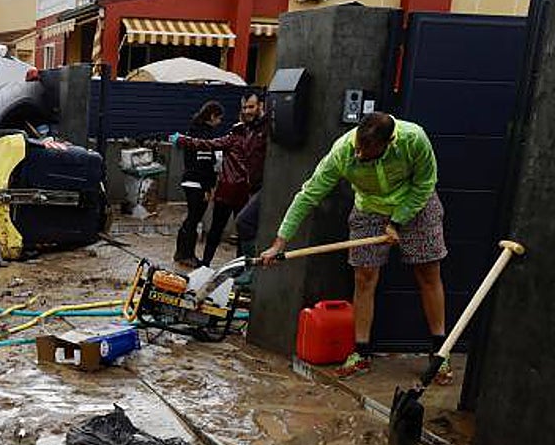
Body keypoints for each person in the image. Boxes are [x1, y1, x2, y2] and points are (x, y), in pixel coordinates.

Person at [260, 112, 451, 383]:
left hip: (416, 204)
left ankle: (439, 352)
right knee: (363, 278)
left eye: (368, 151)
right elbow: (309, 194)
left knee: (428, 274)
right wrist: (279, 242)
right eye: (358, 149)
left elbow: (425, 184)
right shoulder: (343, 152)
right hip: (370, 207)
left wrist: (398, 221)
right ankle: (360, 352)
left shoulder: (414, 139)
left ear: (388, 143)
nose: (359, 156)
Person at [170, 91, 269, 266]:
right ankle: (222, 264)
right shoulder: (234, 134)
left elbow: (206, 147)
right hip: (231, 190)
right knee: (206, 224)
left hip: (234, 190)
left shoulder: (261, 131)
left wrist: (183, 140)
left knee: (216, 227)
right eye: (244, 107)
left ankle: (206, 262)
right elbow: (206, 151)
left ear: (261, 106)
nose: (247, 111)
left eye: (251, 107)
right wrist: (208, 185)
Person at [173, 101, 224, 267]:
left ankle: (181, 252)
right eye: (219, 118)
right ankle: (186, 254)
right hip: (197, 183)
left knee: (191, 218)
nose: (220, 122)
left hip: (190, 180)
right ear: (212, 116)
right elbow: (204, 163)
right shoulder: (204, 134)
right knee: (194, 219)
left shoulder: (193, 131)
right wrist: (208, 186)